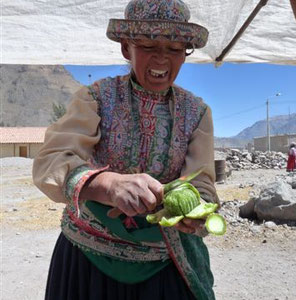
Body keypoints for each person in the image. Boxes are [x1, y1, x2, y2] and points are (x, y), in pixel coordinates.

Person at [32, 0, 220, 299]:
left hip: (163, 261)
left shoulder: (196, 112)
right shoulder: (95, 97)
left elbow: (201, 180)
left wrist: (197, 209)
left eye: (174, 49)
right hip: (88, 257)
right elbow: (52, 161)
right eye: (148, 45)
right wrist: (106, 184)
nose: (162, 59)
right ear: (126, 49)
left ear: (185, 54)